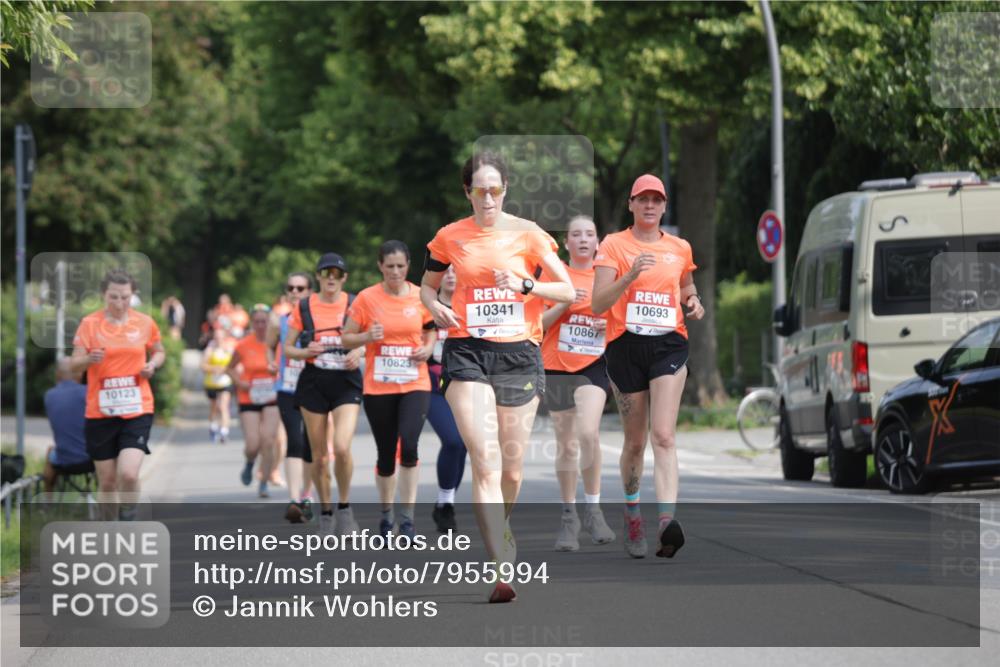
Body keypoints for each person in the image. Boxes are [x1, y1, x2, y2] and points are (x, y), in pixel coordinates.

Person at [420, 151, 575, 602]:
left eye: (495, 189)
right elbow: (428, 285)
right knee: (484, 460)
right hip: (468, 353)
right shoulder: (450, 237)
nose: (487, 198)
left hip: (520, 355)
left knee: (512, 467)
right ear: (467, 192)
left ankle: (502, 524)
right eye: (479, 190)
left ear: (505, 190)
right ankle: (500, 570)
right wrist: (435, 307)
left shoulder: (528, 235)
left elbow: (567, 290)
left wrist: (527, 286)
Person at [591, 174, 705, 559]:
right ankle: (633, 512)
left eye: (657, 200)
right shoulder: (613, 245)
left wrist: (693, 301)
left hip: (668, 345)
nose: (650, 206)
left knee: (664, 436)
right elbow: (597, 304)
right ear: (631, 205)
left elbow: (686, 287)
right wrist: (629, 276)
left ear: (664, 206)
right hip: (625, 347)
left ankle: (666, 523)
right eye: (643, 200)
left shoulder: (679, 248)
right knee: (636, 442)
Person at [342, 240, 436, 539]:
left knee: (409, 447)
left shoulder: (420, 297)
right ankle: (386, 515)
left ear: (408, 266)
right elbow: (346, 338)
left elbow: (431, 328)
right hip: (379, 386)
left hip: (414, 383)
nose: (395, 272)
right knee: (385, 455)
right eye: (390, 266)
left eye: (401, 266)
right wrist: (368, 335)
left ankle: (407, 519)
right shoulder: (367, 299)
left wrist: (428, 348)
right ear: (380, 266)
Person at [539, 215, 616, 551]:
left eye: (589, 234)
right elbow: (536, 323)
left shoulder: (606, 275)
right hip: (556, 364)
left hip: (594, 365)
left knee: (588, 432)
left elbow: (621, 317)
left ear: (598, 242)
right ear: (566, 243)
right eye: (576, 235)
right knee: (567, 443)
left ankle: (594, 509)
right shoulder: (554, 274)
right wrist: (564, 301)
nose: (583, 239)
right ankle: (568, 517)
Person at [70, 269, 165, 519]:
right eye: (114, 297)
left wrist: (152, 365)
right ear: (103, 294)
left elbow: (159, 351)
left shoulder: (144, 322)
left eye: (125, 297)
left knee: (129, 473)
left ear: (132, 295)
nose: (119, 303)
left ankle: (129, 509)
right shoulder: (90, 324)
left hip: (137, 408)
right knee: (108, 481)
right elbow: (73, 365)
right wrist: (89, 359)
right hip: (100, 412)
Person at [284, 253, 364, 536]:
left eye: (337, 274)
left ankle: (345, 508)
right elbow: (288, 347)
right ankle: (326, 513)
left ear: (344, 278)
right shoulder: (305, 306)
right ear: (318, 277)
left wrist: (359, 350)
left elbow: (369, 338)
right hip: (314, 381)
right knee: (318, 457)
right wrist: (306, 352)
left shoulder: (355, 304)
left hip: (346, 381)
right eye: (325, 273)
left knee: (341, 447)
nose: (331, 278)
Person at [267, 271, 315, 523]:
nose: (295, 292)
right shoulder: (279, 321)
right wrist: (270, 363)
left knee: (310, 444)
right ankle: (294, 499)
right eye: (291, 288)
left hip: (314, 388)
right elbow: (269, 346)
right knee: (294, 441)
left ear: (309, 292)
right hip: (286, 388)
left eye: (300, 288)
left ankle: (306, 494)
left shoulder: (317, 319)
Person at [427, 265, 467, 532]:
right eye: (447, 270)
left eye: (457, 270)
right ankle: (445, 501)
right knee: (452, 439)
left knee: (463, 444)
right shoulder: (427, 306)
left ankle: (446, 504)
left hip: (466, 383)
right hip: (433, 386)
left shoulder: (469, 306)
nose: (451, 275)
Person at [227, 305, 280, 498]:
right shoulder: (243, 345)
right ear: (251, 323)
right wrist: (239, 382)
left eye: (264, 321)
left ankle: (264, 482)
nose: (260, 325)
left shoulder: (275, 344)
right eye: (256, 322)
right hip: (248, 396)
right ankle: (250, 463)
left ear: (269, 323)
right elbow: (229, 368)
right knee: (252, 444)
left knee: (268, 440)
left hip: (272, 397)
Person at [42, 358, 93, 493]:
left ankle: (47, 503)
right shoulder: (89, 392)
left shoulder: (49, 396)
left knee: (50, 451)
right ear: (80, 374)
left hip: (63, 460)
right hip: (91, 459)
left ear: (57, 374)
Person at [201, 326, 235, 443]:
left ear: (224, 338)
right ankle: (213, 427)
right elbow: (203, 366)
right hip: (212, 383)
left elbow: (234, 365)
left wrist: (226, 369)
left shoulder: (229, 349)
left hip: (225, 382)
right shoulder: (210, 349)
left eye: (220, 337)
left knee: (223, 406)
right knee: (214, 408)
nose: (218, 339)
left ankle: (224, 432)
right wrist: (214, 368)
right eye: (216, 337)